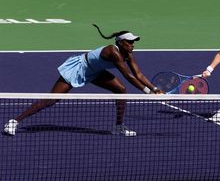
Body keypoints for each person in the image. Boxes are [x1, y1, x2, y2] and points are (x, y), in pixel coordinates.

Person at [4, 24, 162, 136]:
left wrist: (154, 89)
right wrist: (147, 91)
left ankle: (118, 127)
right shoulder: (112, 52)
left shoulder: (128, 55)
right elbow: (128, 76)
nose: (132, 45)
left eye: (133, 42)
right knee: (51, 100)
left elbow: (139, 74)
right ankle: (14, 121)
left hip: (96, 71)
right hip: (79, 68)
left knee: (120, 90)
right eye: (129, 42)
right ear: (120, 42)